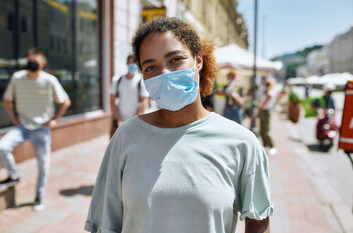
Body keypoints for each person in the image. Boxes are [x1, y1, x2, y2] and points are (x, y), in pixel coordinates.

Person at [85, 17, 273, 233]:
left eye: (175, 60)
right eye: (151, 67)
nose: (164, 73)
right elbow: (105, 225)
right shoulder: (126, 136)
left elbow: (259, 222)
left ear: (198, 61)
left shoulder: (242, 142)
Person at [0, 48, 71, 211]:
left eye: (35, 61)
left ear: (43, 63)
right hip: (22, 126)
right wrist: (14, 119)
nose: (31, 64)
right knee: (1, 147)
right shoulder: (17, 78)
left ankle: (38, 196)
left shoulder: (49, 80)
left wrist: (55, 120)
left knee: (44, 165)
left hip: (42, 129)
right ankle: (13, 176)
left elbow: (65, 102)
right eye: (29, 61)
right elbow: (7, 100)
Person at [109, 54, 149, 137]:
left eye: (136, 63)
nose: (134, 65)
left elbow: (144, 102)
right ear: (127, 63)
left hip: (135, 123)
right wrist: (119, 120)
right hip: (119, 122)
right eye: (132, 61)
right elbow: (112, 102)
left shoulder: (141, 81)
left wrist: (132, 121)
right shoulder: (117, 80)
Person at [252, 78, 277, 155]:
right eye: (265, 84)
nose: (266, 86)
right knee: (262, 129)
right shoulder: (264, 92)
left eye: (267, 84)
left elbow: (264, 103)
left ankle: (272, 146)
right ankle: (266, 145)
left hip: (267, 111)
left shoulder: (270, 92)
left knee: (267, 130)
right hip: (263, 111)